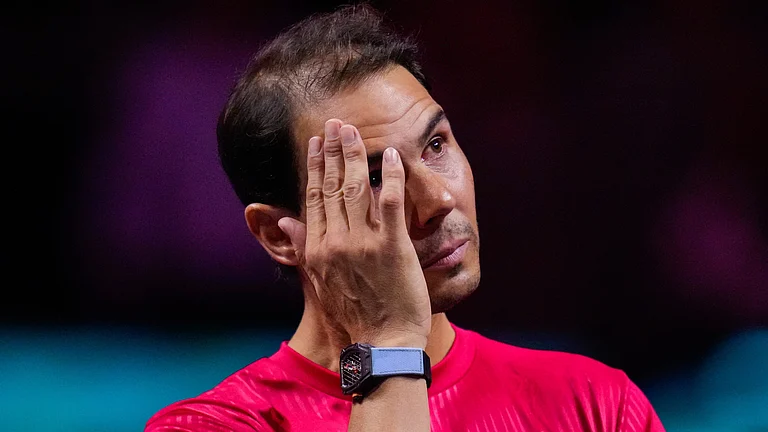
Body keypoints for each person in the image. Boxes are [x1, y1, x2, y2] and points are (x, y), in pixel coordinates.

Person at [145, 4, 666, 431]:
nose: (438, 199)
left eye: (436, 144)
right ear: (279, 235)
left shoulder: (597, 406)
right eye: (373, 177)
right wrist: (390, 344)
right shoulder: (212, 426)